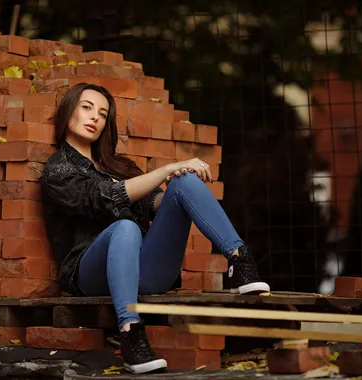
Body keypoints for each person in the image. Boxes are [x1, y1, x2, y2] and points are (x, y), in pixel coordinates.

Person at [40, 83, 270, 374]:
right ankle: (131, 332)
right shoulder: (58, 169)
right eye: (86, 107)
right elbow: (102, 198)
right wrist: (163, 170)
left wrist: (177, 181)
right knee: (125, 227)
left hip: (144, 270)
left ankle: (239, 259)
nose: (95, 117)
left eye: (102, 113)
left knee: (184, 183)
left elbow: (154, 203)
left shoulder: (118, 165)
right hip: (89, 272)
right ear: (68, 111)